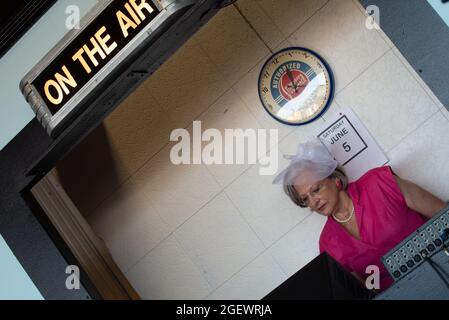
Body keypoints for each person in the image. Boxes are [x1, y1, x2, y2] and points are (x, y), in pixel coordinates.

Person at [273, 139, 446, 291]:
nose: (313, 202)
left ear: (335, 180)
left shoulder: (379, 183)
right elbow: (362, 291)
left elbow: (442, 214)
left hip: (443, 266)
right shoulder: (327, 243)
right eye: (306, 199)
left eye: (316, 190)